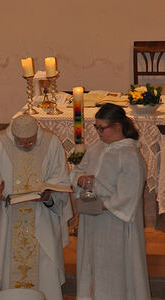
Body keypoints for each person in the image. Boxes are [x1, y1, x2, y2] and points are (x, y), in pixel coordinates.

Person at [0, 114, 73, 300]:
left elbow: (60, 178)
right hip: (7, 218)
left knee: (45, 270)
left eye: (31, 142)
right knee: (5, 266)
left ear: (37, 134)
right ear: (13, 136)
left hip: (42, 218)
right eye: (22, 143)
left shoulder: (51, 143)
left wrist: (49, 196)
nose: (27, 146)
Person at [70, 103, 151, 299]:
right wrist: (80, 179)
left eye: (101, 128)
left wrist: (99, 205)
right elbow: (77, 171)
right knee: (92, 267)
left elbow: (128, 195)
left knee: (114, 273)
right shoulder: (97, 148)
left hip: (114, 224)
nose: (98, 132)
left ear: (117, 126)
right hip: (93, 220)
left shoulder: (130, 155)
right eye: (96, 127)